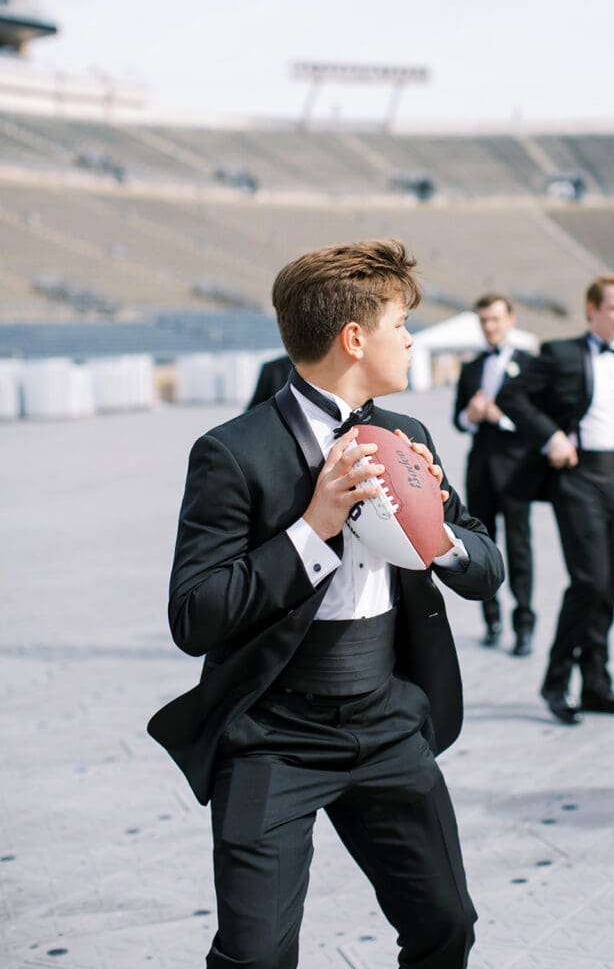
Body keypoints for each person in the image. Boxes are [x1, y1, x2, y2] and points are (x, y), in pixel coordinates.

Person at [148, 239, 504, 969]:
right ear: (354, 339)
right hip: (274, 733)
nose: (409, 341)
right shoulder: (232, 452)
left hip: (387, 718)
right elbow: (195, 615)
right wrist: (313, 527)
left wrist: (436, 535)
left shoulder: (410, 436)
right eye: (401, 325)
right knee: (255, 957)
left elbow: (485, 562)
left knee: (447, 927)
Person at [497, 273, 614, 726]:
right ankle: (555, 681)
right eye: (613, 309)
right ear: (592, 310)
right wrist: (551, 439)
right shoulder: (560, 354)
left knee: (609, 587)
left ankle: (596, 685)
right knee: (589, 581)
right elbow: (513, 396)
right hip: (578, 479)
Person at [453, 294, 536, 654]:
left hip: (517, 471)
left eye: (495, 319)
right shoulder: (470, 368)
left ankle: (524, 624)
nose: (489, 326)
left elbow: (539, 421)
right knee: (482, 547)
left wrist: (499, 417)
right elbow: (457, 418)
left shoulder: (531, 365)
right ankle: (492, 619)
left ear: (511, 319)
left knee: (519, 549)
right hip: (480, 471)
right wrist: (470, 417)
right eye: (484, 320)